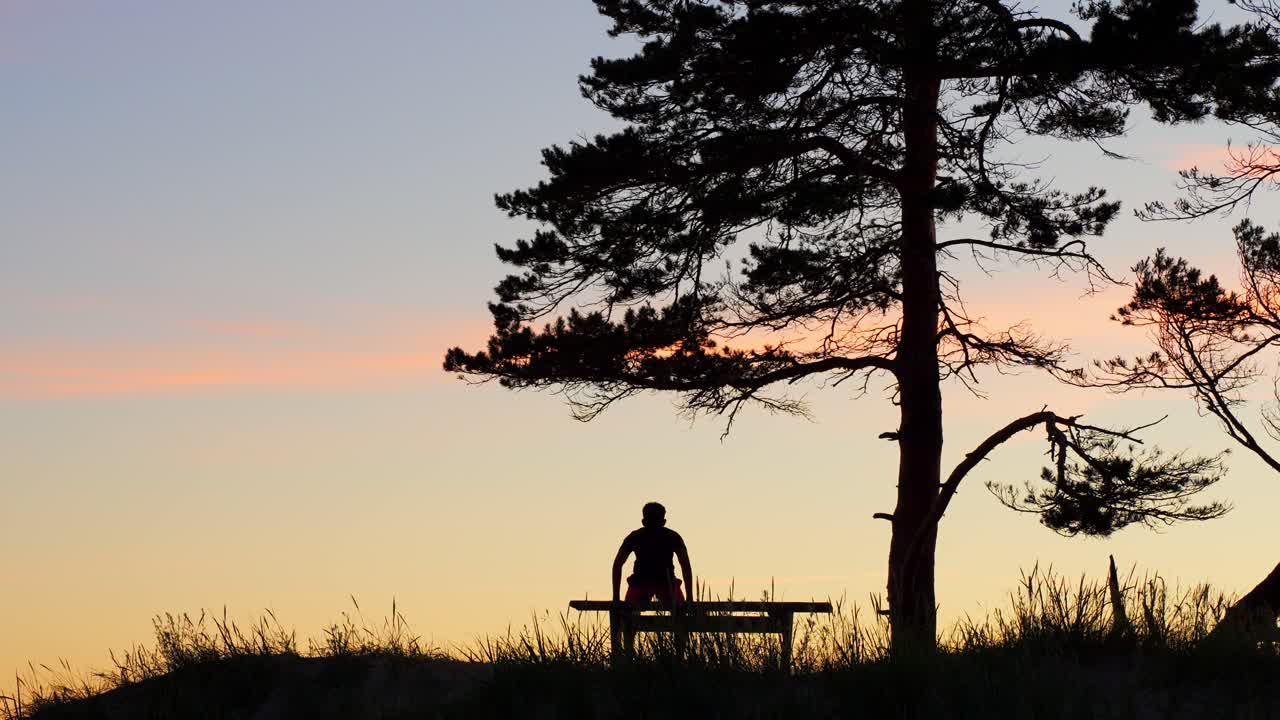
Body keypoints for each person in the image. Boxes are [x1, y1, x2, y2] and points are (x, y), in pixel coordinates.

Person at [612, 501, 694, 606]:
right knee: (680, 612)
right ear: (664, 521)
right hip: (661, 582)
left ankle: (627, 620)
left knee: (627, 614)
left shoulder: (635, 537)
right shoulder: (672, 536)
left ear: (643, 521)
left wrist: (616, 597)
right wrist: (690, 597)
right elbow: (685, 565)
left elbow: (617, 564)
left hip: (648, 582)